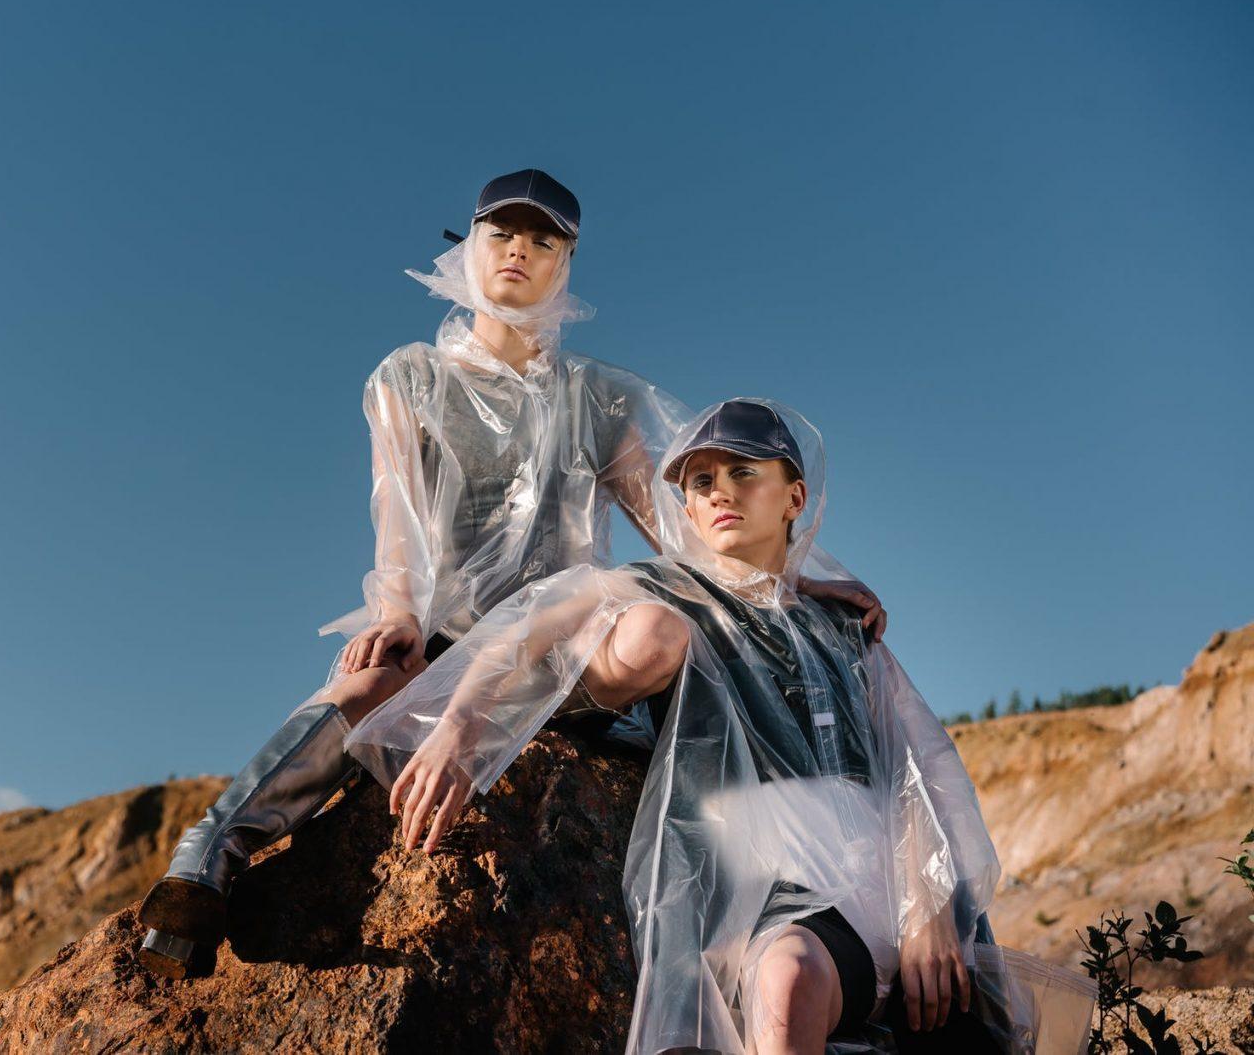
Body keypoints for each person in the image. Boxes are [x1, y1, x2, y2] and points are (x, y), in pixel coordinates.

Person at [137, 173, 886, 980]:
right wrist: (394, 610)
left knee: (653, 641)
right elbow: (396, 511)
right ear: (470, 250)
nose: (520, 250)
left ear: (565, 265)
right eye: (502, 234)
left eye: (544, 239)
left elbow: (690, 526)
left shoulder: (597, 396)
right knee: (368, 682)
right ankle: (203, 861)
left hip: (561, 652)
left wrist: (804, 575)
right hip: (452, 640)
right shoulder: (410, 376)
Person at [346, 399, 1096, 1054]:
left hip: (880, 905)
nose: (718, 493)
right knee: (787, 980)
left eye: (743, 473)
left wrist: (929, 907)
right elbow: (528, 627)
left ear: (794, 495)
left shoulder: (845, 630)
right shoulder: (665, 592)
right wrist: (457, 729)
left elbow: (914, 765)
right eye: (700, 482)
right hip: (770, 902)